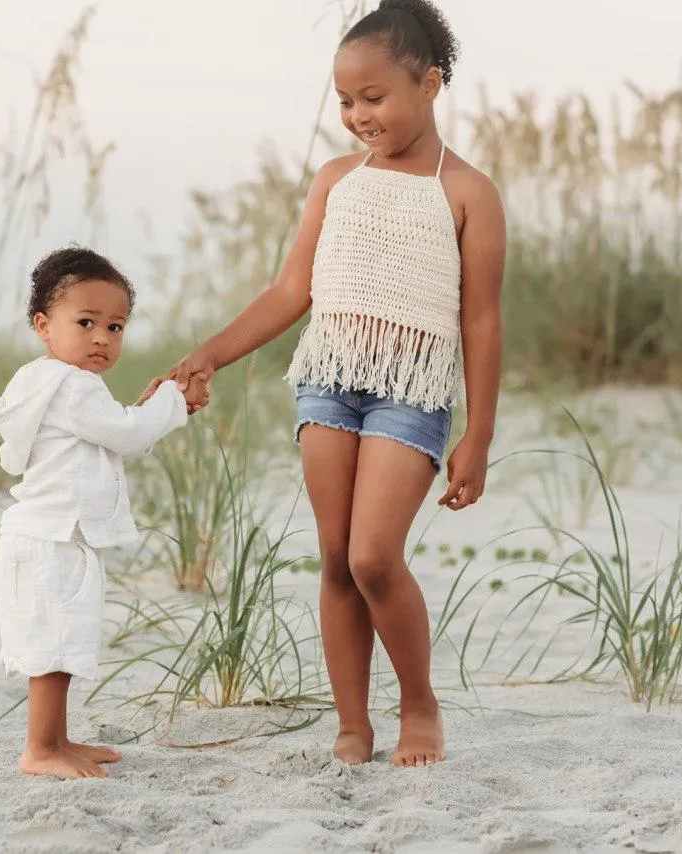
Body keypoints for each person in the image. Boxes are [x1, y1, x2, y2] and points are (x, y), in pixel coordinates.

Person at [143, 0, 505, 767]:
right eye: (344, 100)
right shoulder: (337, 180)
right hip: (329, 381)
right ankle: (352, 725)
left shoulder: (468, 192)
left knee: (376, 556)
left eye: (373, 97)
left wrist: (478, 433)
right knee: (337, 558)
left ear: (429, 84)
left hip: (412, 391)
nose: (357, 115)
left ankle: (419, 704)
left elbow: (481, 321)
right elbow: (288, 291)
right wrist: (208, 354)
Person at [0, 246, 208, 779]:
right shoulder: (72, 385)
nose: (101, 338)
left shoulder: (45, 380)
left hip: (50, 536)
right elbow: (127, 434)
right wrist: (174, 402)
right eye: (84, 322)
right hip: (50, 539)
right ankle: (40, 749)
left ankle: (57, 739)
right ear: (43, 324)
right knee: (52, 648)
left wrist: (152, 405)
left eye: (115, 326)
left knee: (60, 643)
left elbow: (110, 433)